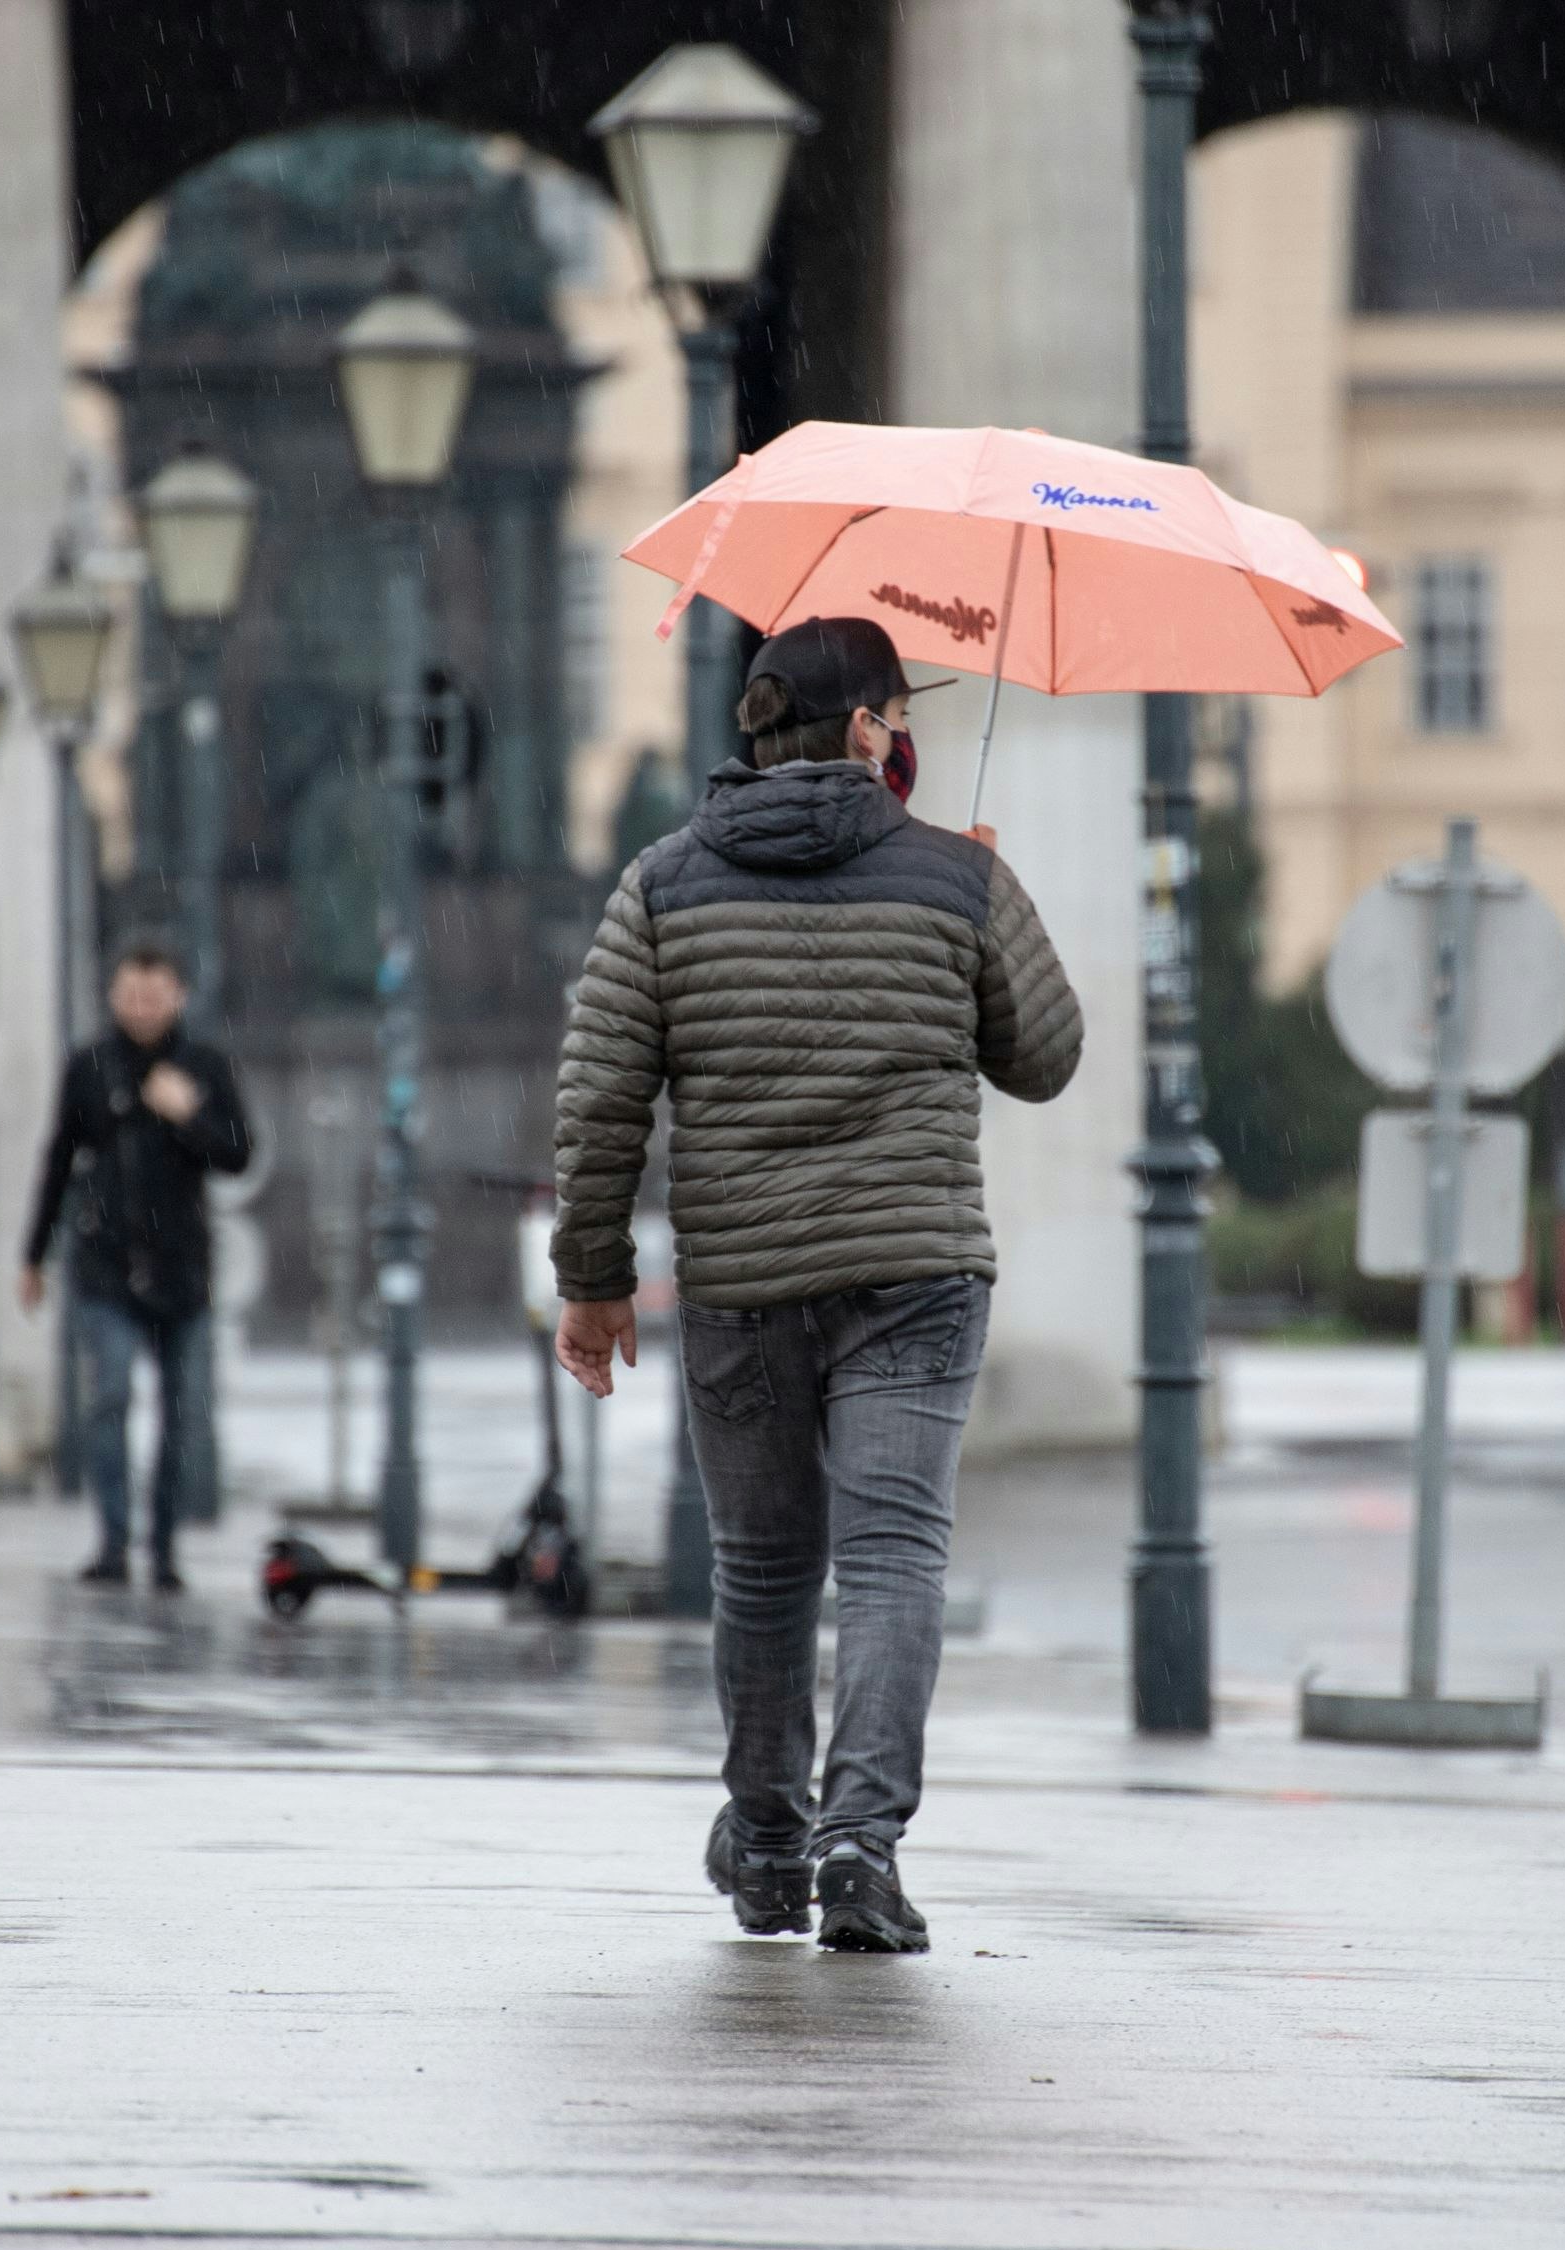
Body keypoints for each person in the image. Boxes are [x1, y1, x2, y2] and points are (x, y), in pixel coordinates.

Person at [549, 616, 1082, 1955]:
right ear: (860, 729)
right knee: (892, 1556)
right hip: (912, 1274)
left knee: (765, 1564)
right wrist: (992, 902)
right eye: (900, 714)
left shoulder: (661, 884)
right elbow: (1046, 1058)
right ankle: (861, 1845)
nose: (907, 736)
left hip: (741, 1281)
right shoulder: (954, 878)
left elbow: (600, 1098)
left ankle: (770, 1836)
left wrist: (593, 1279)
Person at [22, 942, 251, 1590]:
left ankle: (165, 1547)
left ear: (178, 996)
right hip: (107, 1263)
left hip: (183, 1267)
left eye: (154, 995)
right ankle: (114, 1541)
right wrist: (34, 1254)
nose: (142, 1008)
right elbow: (59, 1160)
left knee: (184, 1412)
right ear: (113, 997)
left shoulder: (204, 1065)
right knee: (112, 1395)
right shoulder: (90, 1066)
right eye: (130, 995)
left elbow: (238, 1154)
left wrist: (190, 1116)